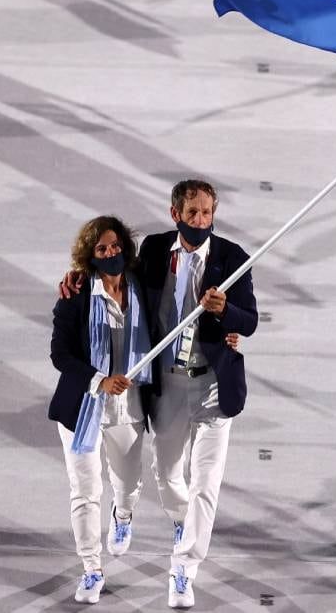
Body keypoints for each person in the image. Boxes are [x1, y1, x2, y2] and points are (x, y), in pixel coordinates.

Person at [61, 180, 258, 609]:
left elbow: (250, 320)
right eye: (192, 213)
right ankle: (170, 519)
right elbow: (115, 277)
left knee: (206, 485)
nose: (201, 221)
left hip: (213, 387)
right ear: (175, 215)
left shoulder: (233, 259)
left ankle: (184, 569)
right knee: (169, 479)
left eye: (207, 213)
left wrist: (227, 313)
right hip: (167, 384)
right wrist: (78, 276)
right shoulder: (152, 251)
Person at [49, 216, 153, 605]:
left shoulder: (142, 283)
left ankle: (123, 516)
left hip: (129, 408)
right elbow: (60, 354)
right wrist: (99, 379)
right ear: (90, 257)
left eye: (115, 246)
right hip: (82, 411)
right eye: (101, 249)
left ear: (125, 247)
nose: (111, 253)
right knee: (85, 492)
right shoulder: (76, 295)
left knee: (128, 484)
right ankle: (92, 568)